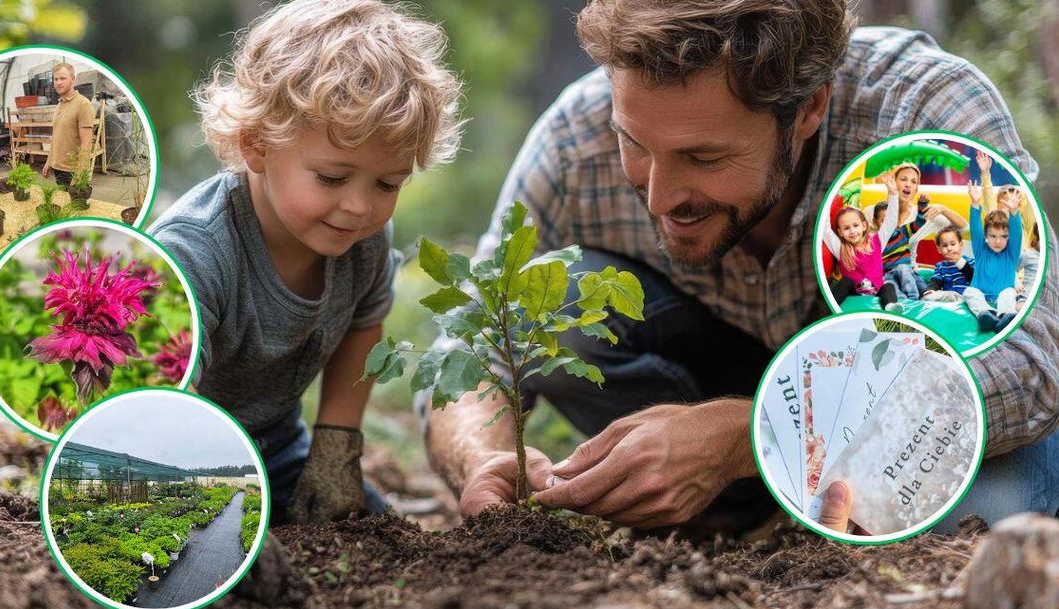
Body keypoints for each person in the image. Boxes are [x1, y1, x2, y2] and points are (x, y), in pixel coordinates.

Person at [417, 0, 1059, 536]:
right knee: (547, 296)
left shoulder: (919, 114)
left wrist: (751, 434)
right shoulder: (572, 139)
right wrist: (483, 456)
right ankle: (736, 518)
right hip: (716, 395)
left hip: (902, 426)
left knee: (977, 521)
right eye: (634, 144)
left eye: (704, 157)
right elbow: (471, 343)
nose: (661, 197)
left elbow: (1032, 366)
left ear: (807, 110)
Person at [150, 0, 462, 527]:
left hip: (276, 451)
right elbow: (156, 405)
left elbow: (365, 323)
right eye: (332, 178)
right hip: (169, 460)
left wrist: (336, 446)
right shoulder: (194, 252)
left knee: (373, 530)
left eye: (387, 184)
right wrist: (214, 510)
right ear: (256, 145)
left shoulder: (362, 241)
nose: (360, 207)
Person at [880, 164, 967, 300]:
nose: (908, 185)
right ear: (893, 182)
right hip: (886, 273)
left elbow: (964, 228)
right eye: (903, 179)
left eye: (913, 182)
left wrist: (943, 209)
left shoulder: (923, 215)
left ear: (916, 189)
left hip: (910, 273)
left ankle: (927, 296)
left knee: (922, 288)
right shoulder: (876, 213)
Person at [822, 174, 901, 311]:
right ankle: (829, 307)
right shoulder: (841, 247)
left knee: (889, 286)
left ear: (864, 226)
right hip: (854, 290)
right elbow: (825, 230)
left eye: (855, 226)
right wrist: (827, 201)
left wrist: (893, 194)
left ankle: (890, 306)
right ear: (840, 232)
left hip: (876, 289)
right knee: (845, 282)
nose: (852, 231)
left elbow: (890, 222)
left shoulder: (877, 241)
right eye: (846, 228)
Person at [962, 181, 1023, 332]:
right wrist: (975, 204)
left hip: (1002, 296)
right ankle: (986, 314)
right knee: (969, 292)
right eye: (993, 236)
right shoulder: (981, 250)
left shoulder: (1011, 253)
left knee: (1009, 292)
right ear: (986, 236)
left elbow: (1017, 233)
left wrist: (1014, 213)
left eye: (1003, 236)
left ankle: (1006, 316)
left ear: (1008, 237)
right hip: (981, 294)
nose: (997, 241)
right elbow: (975, 227)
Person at [41, 62, 94, 189]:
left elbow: (86, 143)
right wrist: (49, 162)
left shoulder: (83, 104)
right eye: (56, 79)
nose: (58, 82)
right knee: (65, 205)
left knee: (76, 207)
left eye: (63, 78)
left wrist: (79, 175)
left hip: (72, 170)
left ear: (73, 79)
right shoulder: (60, 104)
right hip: (58, 168)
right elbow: (56, 136)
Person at [921, 228, 974, 301]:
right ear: (939, 249)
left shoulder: (970, 261)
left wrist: (959, 262)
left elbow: (973, 277)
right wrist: (930, 291)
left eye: (953, 244)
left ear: (961, 245)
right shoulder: (941, 266)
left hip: (966, 296)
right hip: (948, 296)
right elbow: (935, 282)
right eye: (945, 245)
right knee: (937, 294)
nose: (949, 248)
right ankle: (927, 298)